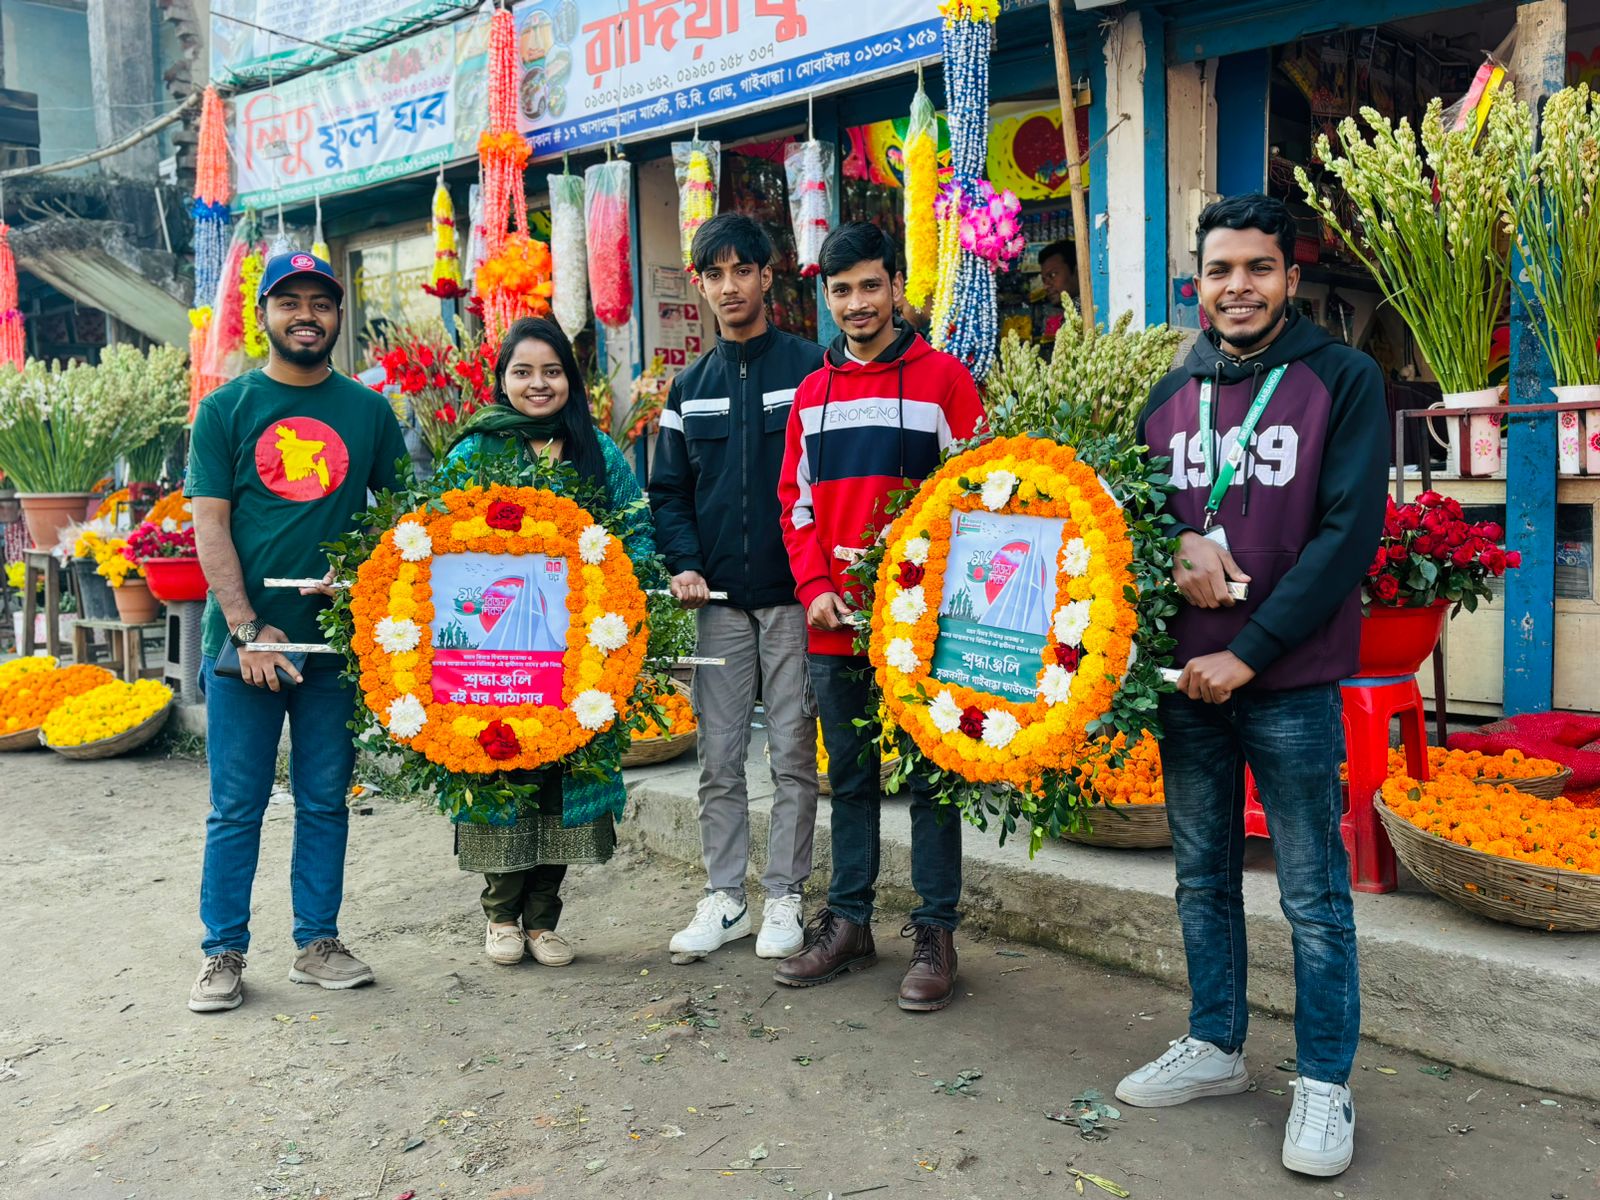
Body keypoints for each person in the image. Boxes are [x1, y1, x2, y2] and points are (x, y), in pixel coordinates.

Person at [1118, 193, 1387, 1178]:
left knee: (1313, 896)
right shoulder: (1163, 393)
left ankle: (1323, 1083)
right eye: (1220, 270)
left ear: (1289, 277)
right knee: (1199, 879)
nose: (1237, 287)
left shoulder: (1341, 383)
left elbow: (1345, 536)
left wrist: (1253, 650)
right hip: (1183, 679)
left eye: (1257, 269)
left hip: (1288, 683)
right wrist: (1173, 536)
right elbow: (1131, 512)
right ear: (1200, 280)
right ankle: (1216, 1045)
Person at [186, 250, 410, 1013]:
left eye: (321, 302)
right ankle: (223, 953)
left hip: (337, 644)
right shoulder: (226, 410)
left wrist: (372, 575)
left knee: (324, 798)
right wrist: (248, 629)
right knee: (236, 804)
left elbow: (403, 522)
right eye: (291, 302)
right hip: (249, 645)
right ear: (265, 316)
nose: (306, 315)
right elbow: (209, 526)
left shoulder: (369, 411)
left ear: (338, 316)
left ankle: (318, 941)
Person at [776, 222, 984, 1012]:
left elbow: (979, 499)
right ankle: (851, 921)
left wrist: (935, 596)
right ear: (825, 298)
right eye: (840, 291)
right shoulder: (811, 394)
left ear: (898, 286)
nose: (857, 304)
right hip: (835, 625)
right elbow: (793, 508)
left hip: (925, 627)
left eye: (870, 286)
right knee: (853, 779)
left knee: (935, 780)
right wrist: (814, 586)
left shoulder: (945, 382)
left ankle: (935, 933)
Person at [442, 316, 661, 969]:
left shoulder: (597, 451)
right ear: (502, 380)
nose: (538, 384)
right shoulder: (474, 454)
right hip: (494, 658)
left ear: (571, 378)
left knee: (563, 781)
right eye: (523, 372)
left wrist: (640, 594)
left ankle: (543, 920)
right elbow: (437, 544)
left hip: (579, 658)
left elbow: (637, 535)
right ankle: (500, 915)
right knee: (504, 769)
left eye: (551, 371)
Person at [650, 213, 824, 962]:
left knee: (791, 753)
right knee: (719, 758)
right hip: (716, 602)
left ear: (767, 276)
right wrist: (683, 564)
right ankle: (726, 898)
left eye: (741, 271)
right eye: (713, 275)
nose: (729, 287)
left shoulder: (815, 371)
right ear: (701, 286)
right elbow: (667, 493)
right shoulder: (689, 389)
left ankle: (784, 896)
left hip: (794, 598)